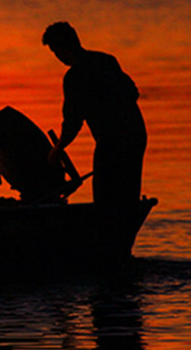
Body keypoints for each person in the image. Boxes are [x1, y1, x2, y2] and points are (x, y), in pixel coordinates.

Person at [43, 21, 147, 264]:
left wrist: (57, 150)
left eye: (55, 52)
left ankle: (107, 251)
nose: (57, 57)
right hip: (136, 134)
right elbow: (133, 92)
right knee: (127, 195)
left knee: (106, 198)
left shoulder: (75, 76)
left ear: (61, 48)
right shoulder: (106, 60)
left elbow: (72, 121)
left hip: (112, 141)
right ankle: (121, 248)